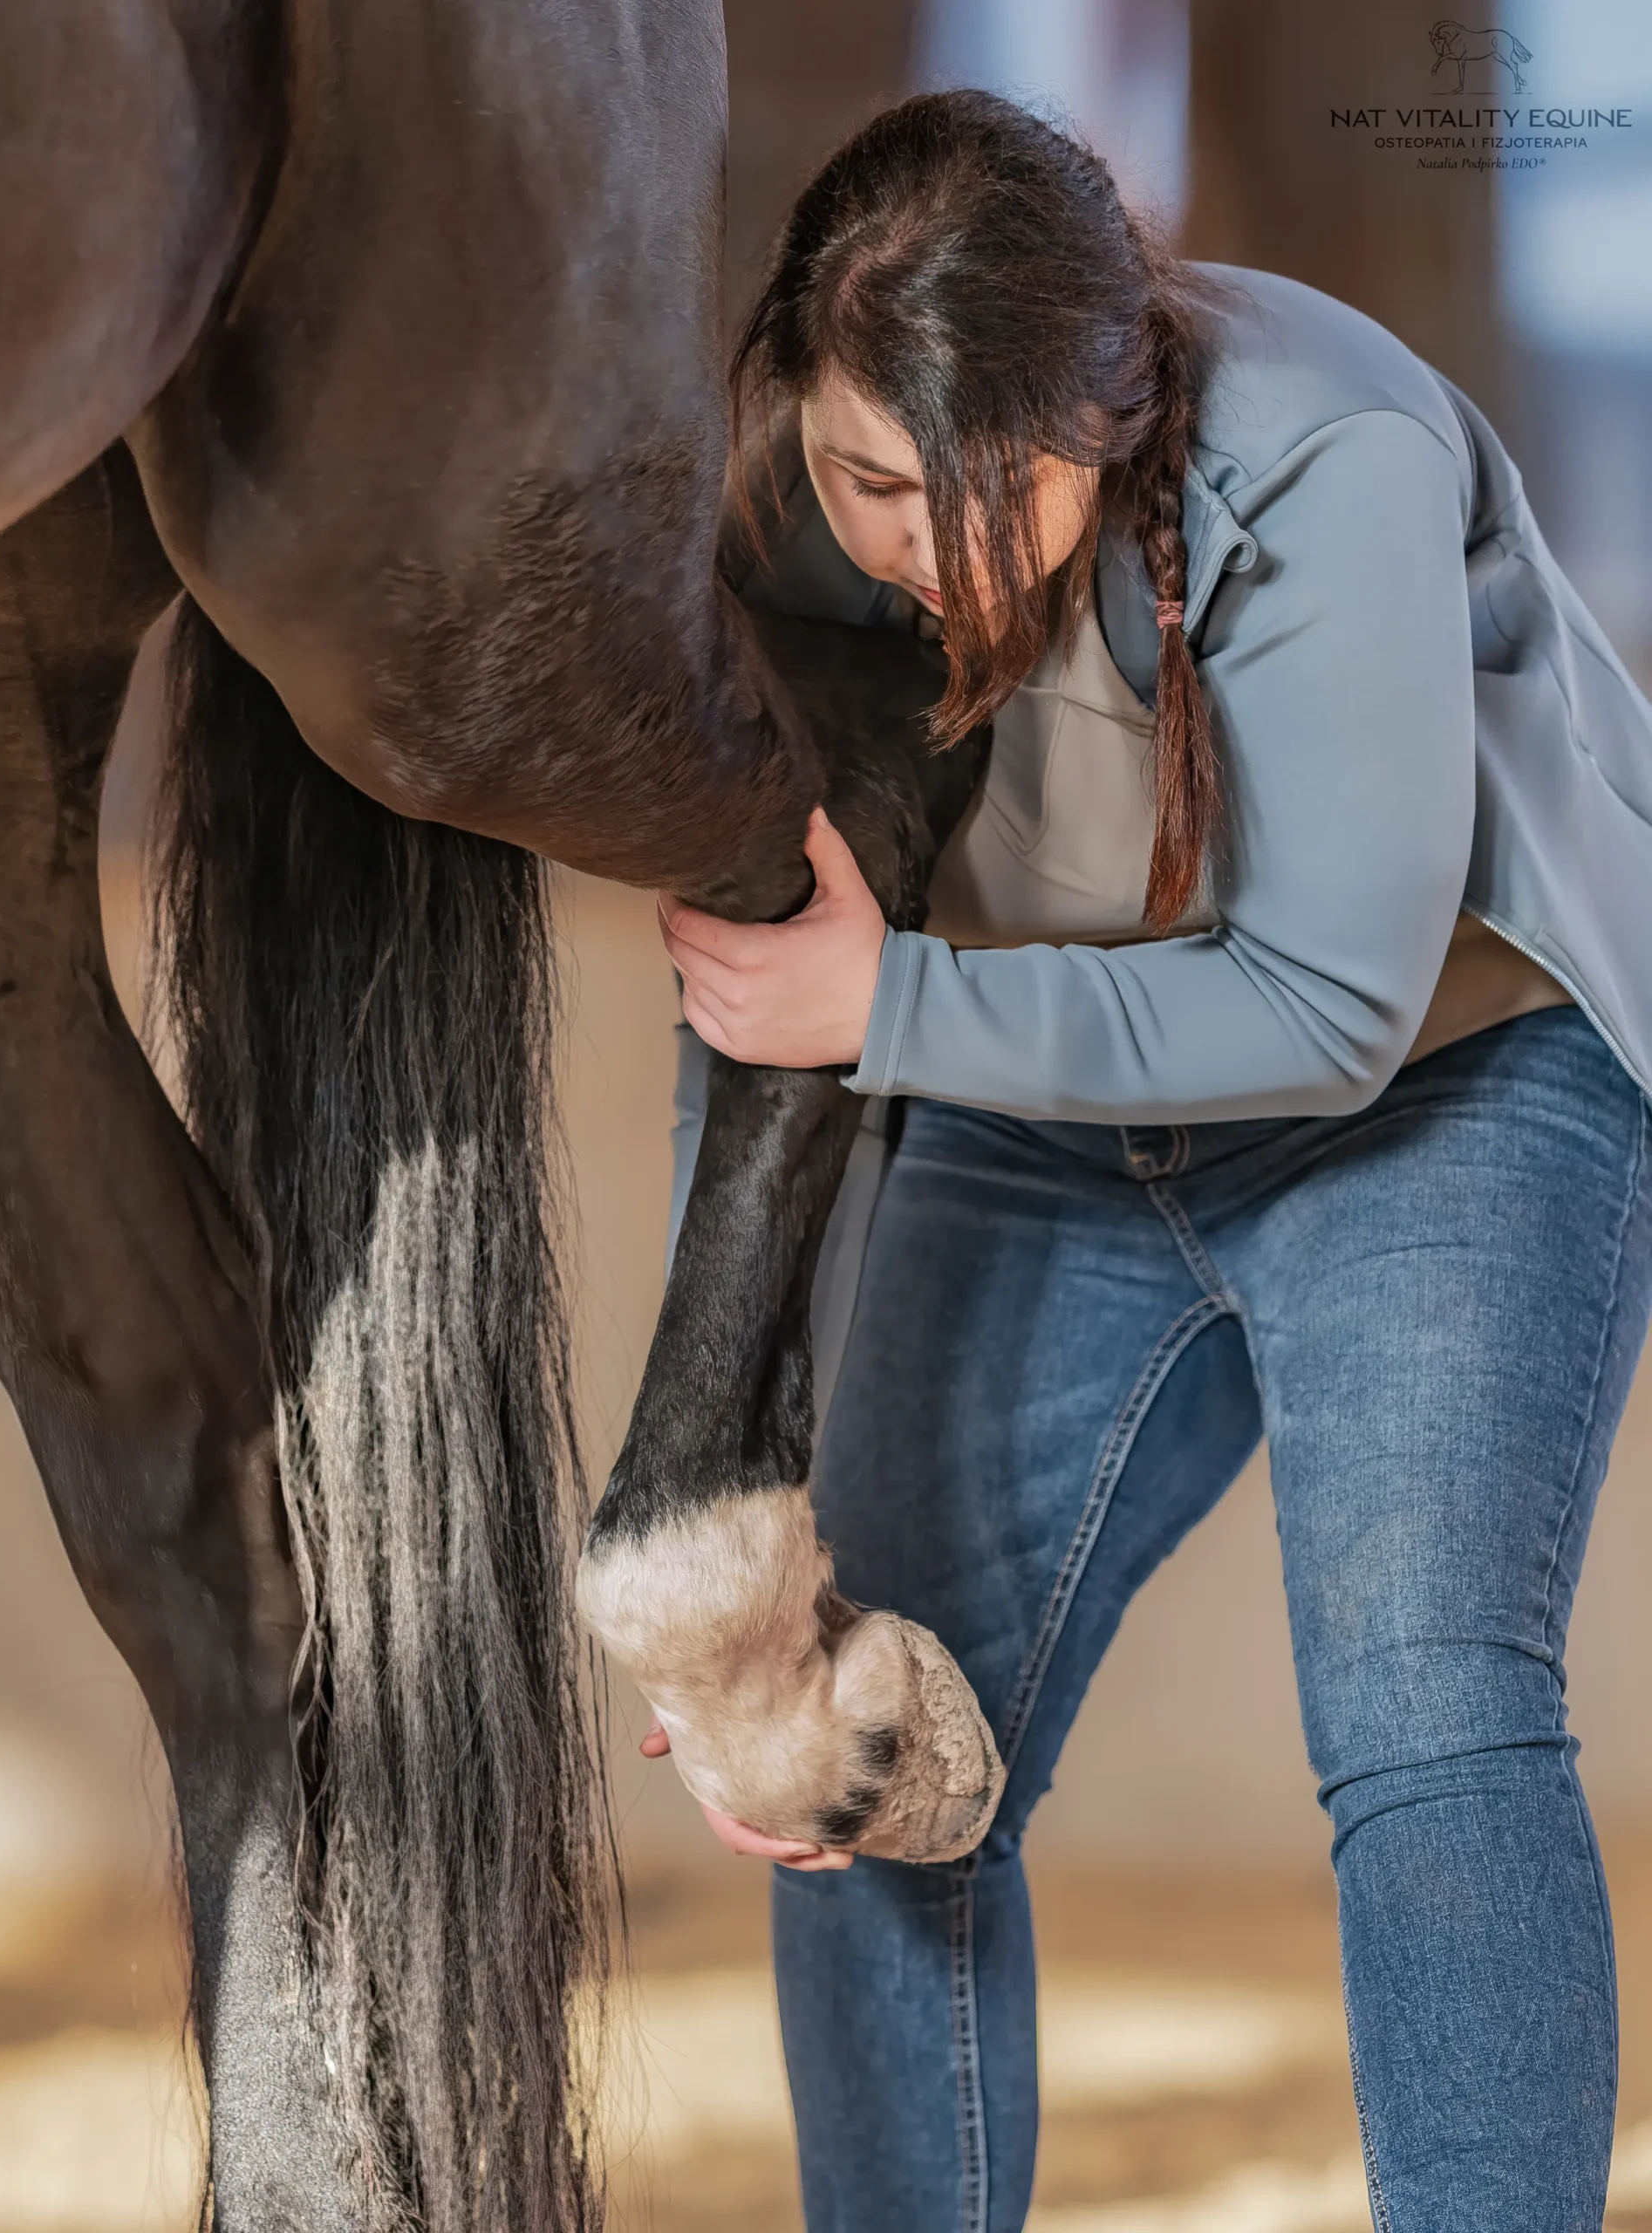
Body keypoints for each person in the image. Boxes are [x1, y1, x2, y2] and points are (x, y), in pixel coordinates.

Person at [644, 88, 1652, 2233]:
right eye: (855, 474)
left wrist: (883, 1008)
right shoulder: (799, 517)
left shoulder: (1320, 459)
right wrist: (714, 1538)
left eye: (959, 488)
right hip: (1051, 1107)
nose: (904, 542)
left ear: (1097, 419)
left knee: (1427, 1709)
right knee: (860, 1735)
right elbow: (756, 1023)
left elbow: (1322, 1007)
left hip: (1446, 1088)